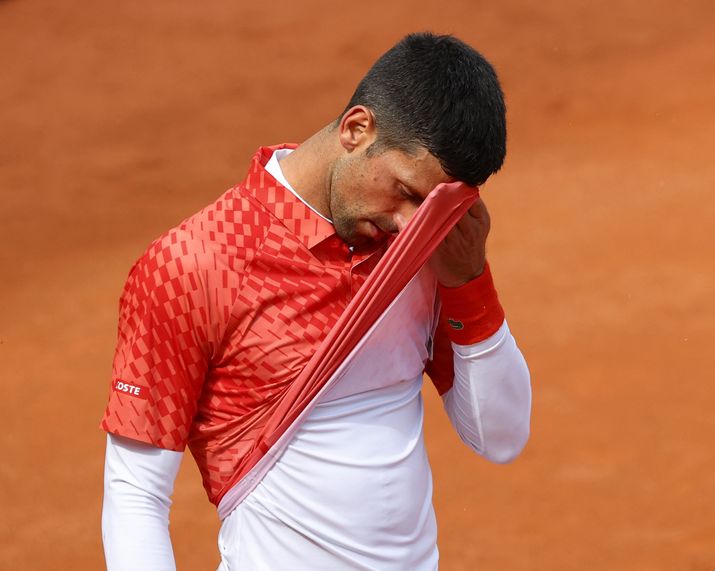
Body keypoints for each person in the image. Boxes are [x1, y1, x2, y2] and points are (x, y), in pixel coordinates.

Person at [100, 32, 532, 570]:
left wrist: (469, 280)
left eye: (429, 208)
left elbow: (502, 436)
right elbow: (136, 495)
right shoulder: (194, 264)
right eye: (404, 191)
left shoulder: (423, 250)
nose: (407, 226)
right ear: (356, 129)